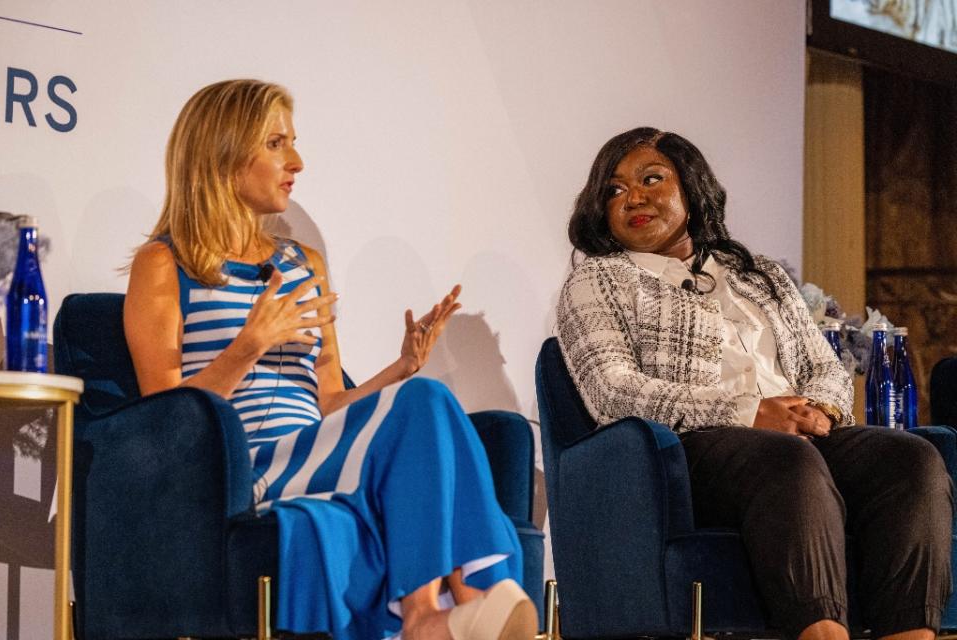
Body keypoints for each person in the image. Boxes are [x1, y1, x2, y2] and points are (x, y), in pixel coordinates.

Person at [123, 79, 536, 640]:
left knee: (425, 395)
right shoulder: (164, 262)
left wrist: (400, 369)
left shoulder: (304, 263)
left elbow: (329, 404)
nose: (296, 160)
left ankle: (452, 612)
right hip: (243, 467)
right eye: (275, 143)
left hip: (317, 452)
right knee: (427, 404)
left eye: (293, 141)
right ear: (222, 150)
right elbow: (164, 421)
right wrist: (248, 348)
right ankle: (458, 603)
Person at [556, 127, 953, 640]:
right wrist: (748, 413)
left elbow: (824, 365)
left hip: (797, 436)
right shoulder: (601, 279)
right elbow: (612, 390)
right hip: (692, 449)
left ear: (692, 187)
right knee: (786, 458)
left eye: (651, 179)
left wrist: (824, 410)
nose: (632, 197)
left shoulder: (759, 274)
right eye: (613, 190)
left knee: (911, 459)